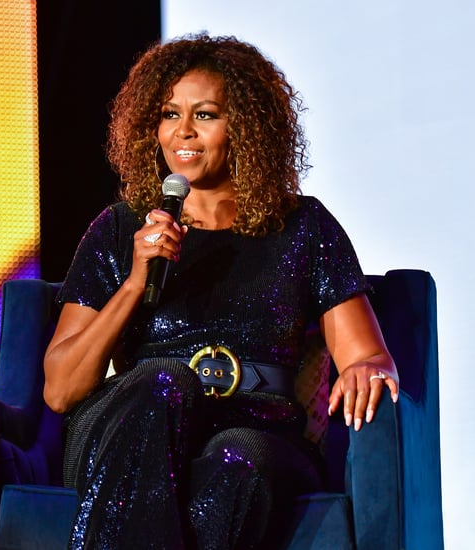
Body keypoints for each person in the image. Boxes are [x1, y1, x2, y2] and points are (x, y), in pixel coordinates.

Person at [43, 33, 399, 549]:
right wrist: (136, 281)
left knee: (238, 456)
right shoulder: (121, 230)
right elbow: (60, 391)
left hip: (260, 434)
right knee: (164, 379)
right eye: (169, 114)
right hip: (135, 436)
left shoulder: (303, 227)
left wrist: (369, 367)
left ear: (246, 128)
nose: (182, 132)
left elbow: (366, 354)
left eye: (205, 115)